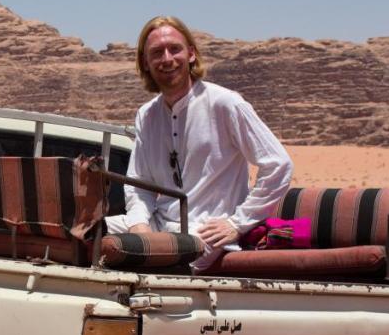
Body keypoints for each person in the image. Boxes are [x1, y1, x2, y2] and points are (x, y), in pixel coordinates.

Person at [108, 15, 293, 269]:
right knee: (87, 232)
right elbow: (139, 185)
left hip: (204, 231)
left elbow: (279, 164)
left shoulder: (225, 104)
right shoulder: (147, 115)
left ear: (191, 54)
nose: (167, 59)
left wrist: (237, 223)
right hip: (159, 223)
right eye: (157, 52)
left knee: (152, 258)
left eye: (175, 49)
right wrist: (139, 225)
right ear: (145, 62)